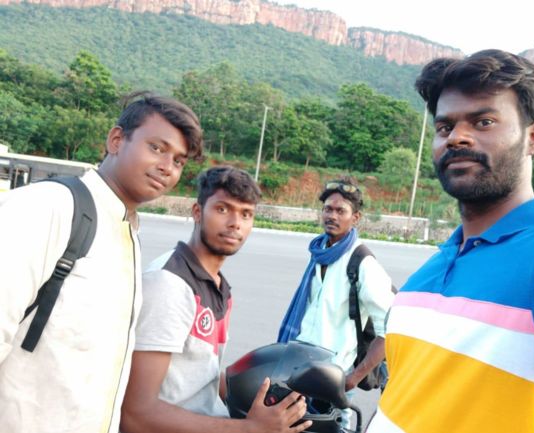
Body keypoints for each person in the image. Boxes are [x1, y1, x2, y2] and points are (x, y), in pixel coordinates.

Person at [366, 49, 534, 433]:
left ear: (533, 137)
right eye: (444, 127)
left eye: (484, 122)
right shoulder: (429, 271)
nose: (457, 137)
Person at [0, 92, 203, 433]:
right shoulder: (49, 207)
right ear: (116, 140)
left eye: (179, 161)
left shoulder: (126, 233)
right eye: (156, 148)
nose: (167, 167)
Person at [120, 166, 311, 433]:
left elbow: (200, 378)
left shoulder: (218, 286)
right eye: (223, 209)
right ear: (197, 212)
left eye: (246, 214)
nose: (235, 223)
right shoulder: (170, 284)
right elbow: (136, 414)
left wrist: (275, 395)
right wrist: (251, 429)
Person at [278, 177, 395, 428]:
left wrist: (354, 378)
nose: (332, 216)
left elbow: (390, 330)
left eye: (341, 211)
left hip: (333, 377)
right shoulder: (319, 253)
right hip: (300, 370)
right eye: (328, 209)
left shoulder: (362, 263)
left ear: (356, 218)